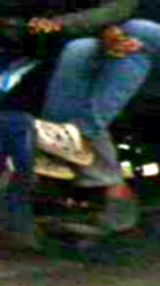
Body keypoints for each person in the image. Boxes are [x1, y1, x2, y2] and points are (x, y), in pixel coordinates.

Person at [31, 1, 160, 232]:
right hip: (126, 45)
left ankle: (81, 135)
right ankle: (108, 183)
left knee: (140, 29)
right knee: (79, 51)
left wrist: (66, 23)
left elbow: (122, 7)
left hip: (146, 36)